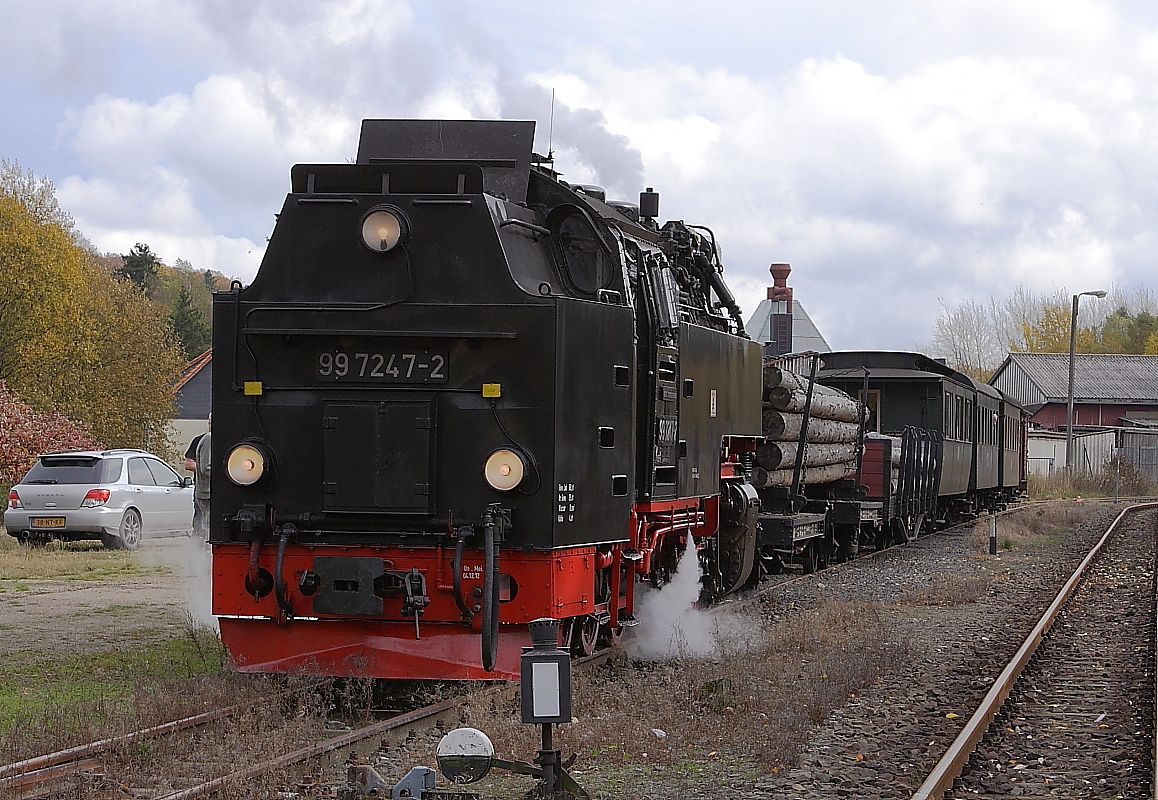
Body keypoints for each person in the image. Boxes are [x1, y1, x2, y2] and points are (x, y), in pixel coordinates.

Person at [194, 414, 211, 541]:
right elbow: (206, 468)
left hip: (209, 493)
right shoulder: (209, 439)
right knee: (211, 528)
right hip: (208, 493)